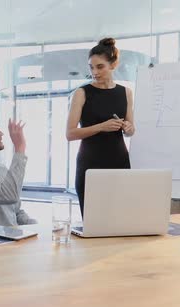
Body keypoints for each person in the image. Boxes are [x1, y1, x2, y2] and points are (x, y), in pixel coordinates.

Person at [66, 37, 135, 216]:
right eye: (91, 67)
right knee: (93, 220)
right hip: (90, 163)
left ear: (113, 64)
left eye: (100, 67)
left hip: (119, 161)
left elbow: (131, 130)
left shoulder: (126, 92)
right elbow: (70, 134)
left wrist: (128, 128)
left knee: (120, 218)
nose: (94, 72)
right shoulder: (81, 93)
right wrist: (101, 126)